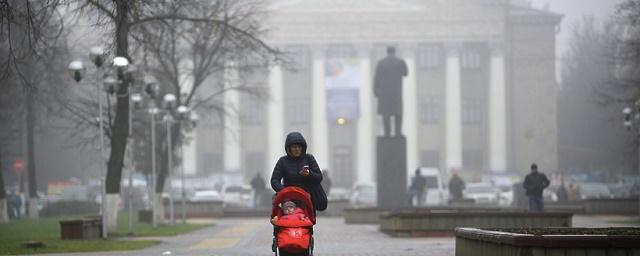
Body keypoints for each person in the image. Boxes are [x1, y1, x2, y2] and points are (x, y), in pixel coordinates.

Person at [271, 132, 326, 213]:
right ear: (289, 148)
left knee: (306, 222)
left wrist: (309, 174)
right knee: (286, 222)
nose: (297, 149)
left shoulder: (309, 158)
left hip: (306, 199)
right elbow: (274, 180)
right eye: (294, 147)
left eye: (299, 147)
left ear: (303, 148)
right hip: (288, 199)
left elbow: (319, 177)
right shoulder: (283, 161)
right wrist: (285, 191)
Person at [374, 46, 408, 137]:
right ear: (394, 52)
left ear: (387, 52)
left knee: (386, 114)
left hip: (384, 93)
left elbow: (376, 78)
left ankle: (387, 133)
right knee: (398, 113)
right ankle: (398, 132)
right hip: (396, 92)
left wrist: (376, 91)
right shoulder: (400, 62)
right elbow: (405, 73)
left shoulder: (381, 63)